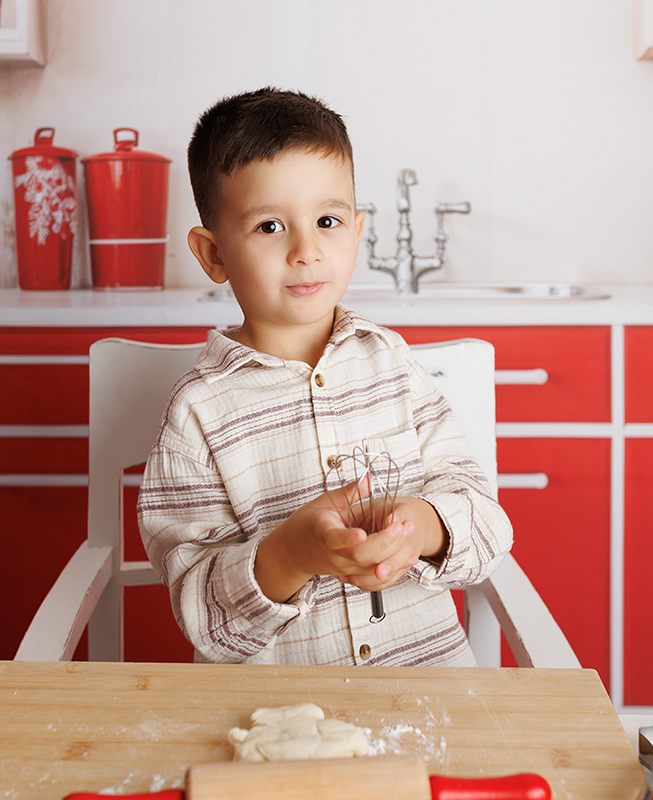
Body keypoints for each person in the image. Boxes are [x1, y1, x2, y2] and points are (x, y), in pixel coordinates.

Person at [136, 87, 513, 666]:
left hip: (433, 706)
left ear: (358, 231)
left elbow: (487, 521)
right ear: (212, 254)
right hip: (278, 725)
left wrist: (426, 526)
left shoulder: (391, 365)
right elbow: (203, 618)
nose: (306, 251)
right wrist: (288, 554)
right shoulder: (197, 413)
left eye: (328, 220)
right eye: (269, 227)